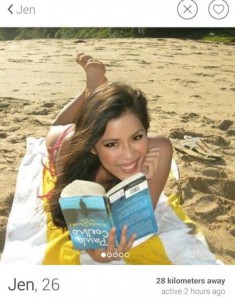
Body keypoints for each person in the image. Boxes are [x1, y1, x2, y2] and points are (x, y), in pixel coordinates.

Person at [45, 53, 173, 263]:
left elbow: (138, 219)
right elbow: (92, 241)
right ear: (93, 148)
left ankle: (96, 93)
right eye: (111, 144)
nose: (130, 155)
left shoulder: (159, 148)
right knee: (55, 126)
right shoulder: (72, 156)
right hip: (63, 139)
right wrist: (100, 252)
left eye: (137, 137)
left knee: (104, 121)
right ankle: (91, 90)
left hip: (94, 128)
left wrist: (145, 180)